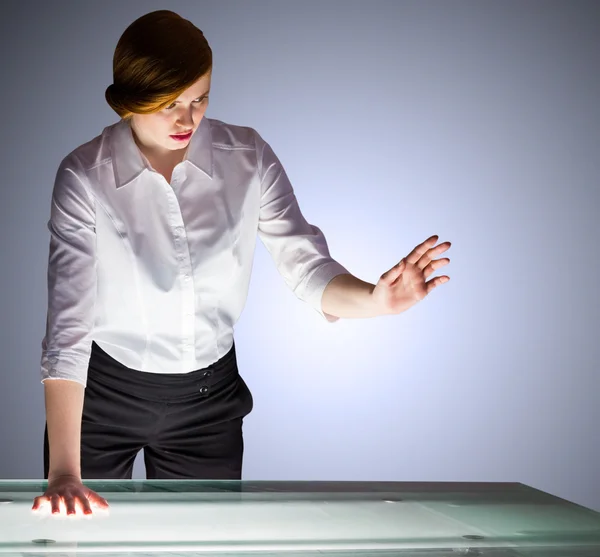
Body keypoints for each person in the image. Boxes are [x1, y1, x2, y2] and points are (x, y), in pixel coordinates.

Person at [31, 10, 451, 517]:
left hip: (208, 401)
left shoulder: (248, 157)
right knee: (77, 538)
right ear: (131, 100)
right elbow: (68, 325)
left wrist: (376, 299)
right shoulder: (83, 177)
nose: (188, 120)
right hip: (102, 395)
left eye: (199, 98)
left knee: (204, 543)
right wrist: (64, 472)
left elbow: (307, 266)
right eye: (169, 105)